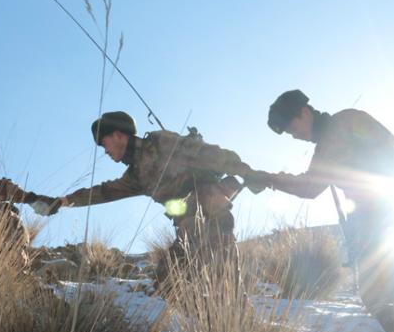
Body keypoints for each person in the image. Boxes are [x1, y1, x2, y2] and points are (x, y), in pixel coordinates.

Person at [247, 89, 394, 332]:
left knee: (381, 293)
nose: (293, 136)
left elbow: (311, 187)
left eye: (291, 128)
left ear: (304, 112)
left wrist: (268, 179)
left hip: (382, 218)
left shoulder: (337, 129)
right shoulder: (343, 125)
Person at [39, 111, 254, 285]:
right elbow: (103, 193)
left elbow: (207, 154)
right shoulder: (135, 176)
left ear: (118, 135)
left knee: (225, 278)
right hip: (187, 230)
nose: (105, 151)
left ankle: (239, 322)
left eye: (105, 144)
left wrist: (246, 172)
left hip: (213, 213)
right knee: (167, 282)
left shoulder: (160, 142)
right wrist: (63, 201)